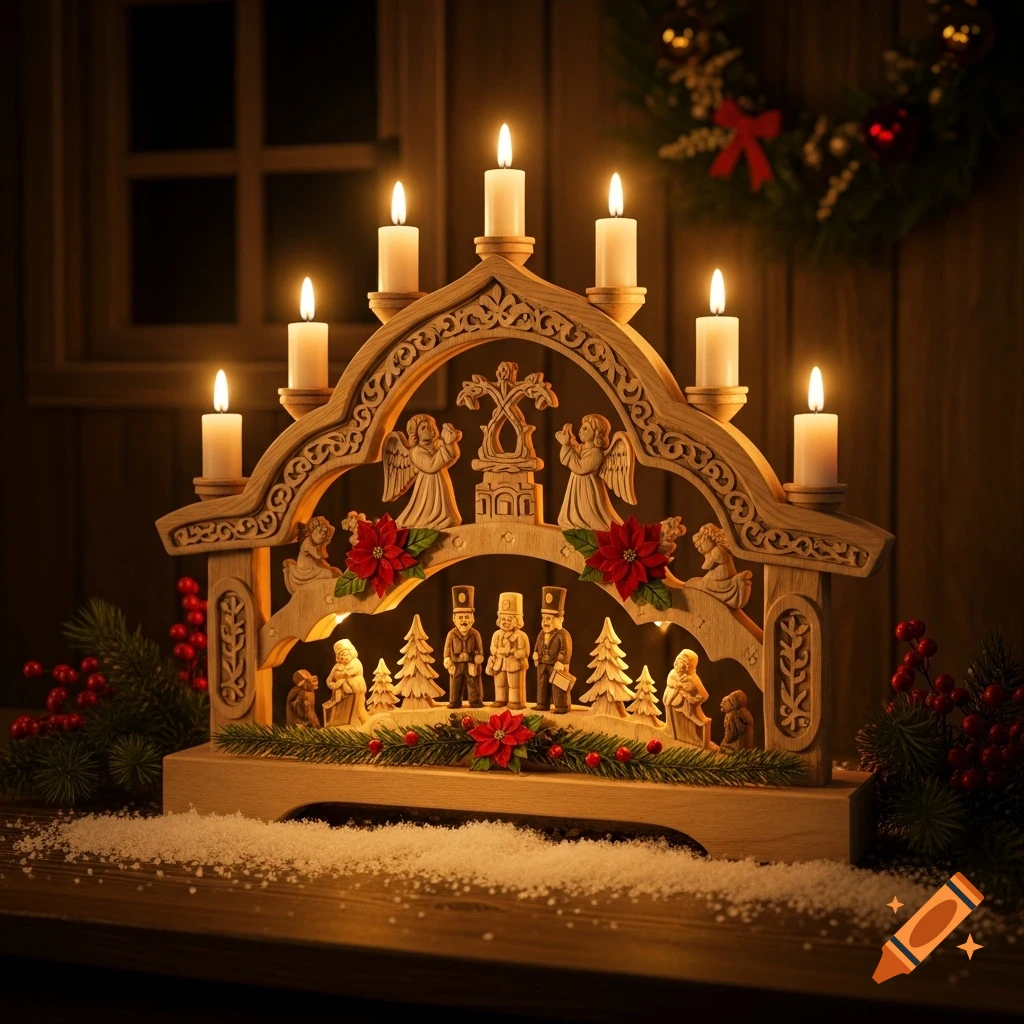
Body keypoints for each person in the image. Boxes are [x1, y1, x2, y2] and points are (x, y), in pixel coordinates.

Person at [687, 523, 753, 610]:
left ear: (711, 538)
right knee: (696, 582)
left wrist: (708, 556)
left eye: (703, 542)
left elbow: (706, 566)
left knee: (702, 584)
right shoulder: (715, 551)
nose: (701, 547)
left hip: (723, 579)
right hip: (718, 578)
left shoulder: (717, 551)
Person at [443, 585, 485, 709]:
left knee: (473, 682)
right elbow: (447, 649)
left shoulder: (475, 634)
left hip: (471, 663)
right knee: (456, 682)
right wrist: (447, 659)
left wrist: (477, 659)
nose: (463, 620)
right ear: (454, 619)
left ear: (472, 619)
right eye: (460, 617)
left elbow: (479, 650)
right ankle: (455, 701)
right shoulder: (451, 634)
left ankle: (475, 700)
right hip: (456, 664)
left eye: (467, 617)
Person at [532, 587, 573, 713]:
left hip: (556, 665)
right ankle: (542, 703)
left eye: (549, 619)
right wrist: (535, 653)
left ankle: (561, 706)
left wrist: (561, 661)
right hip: (542, 664)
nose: (545, 622)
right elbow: (538, 645)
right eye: (544, 619)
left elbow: (566, 650)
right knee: (542, 684)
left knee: (558, 686)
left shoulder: (563, 634)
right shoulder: (541, 633)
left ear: (559, 619)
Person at [486, 593, 530, 710]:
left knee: (514, 684)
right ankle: (500, 699)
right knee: (499, 683)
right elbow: (492, 647)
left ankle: (515, 701)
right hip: (499, 663)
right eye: (503, 619)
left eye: (509, 619)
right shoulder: (497, 634)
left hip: (513, 663)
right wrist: (497, 651)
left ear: (517, 621)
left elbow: (525, 651)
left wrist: (515, 653)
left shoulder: (520, 635)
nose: (506, 622)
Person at [663, 649, 711, 748]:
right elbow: (672, 685)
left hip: (687, 707)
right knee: (675, 724)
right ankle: (676, 735)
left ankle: (694, 740)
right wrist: (678, 688)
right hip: (673, 705)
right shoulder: (672, 673)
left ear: (689, 666)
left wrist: (693, 699)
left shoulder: (692, 678)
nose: (679, 667)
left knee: (691, 724)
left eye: (683, 664)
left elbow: (704, 695)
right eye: (678, 663)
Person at [322, 639, 367, 727]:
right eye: (341, 655)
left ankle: (361, 725)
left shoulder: (356, 663)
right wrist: (334, 685)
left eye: (345, 654)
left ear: (351, 652)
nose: (343, 657)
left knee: (358, 711)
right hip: (340, 696)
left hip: (356, 692)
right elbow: (329, 680)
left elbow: (353, 673)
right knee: (342, 714)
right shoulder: (337, 666)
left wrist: (343, 677)